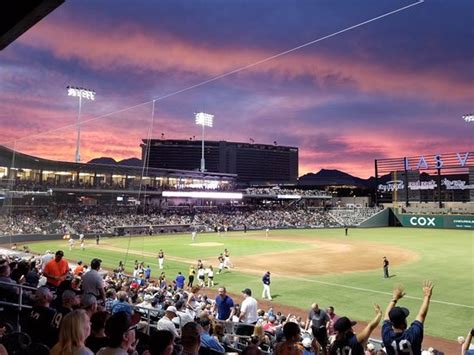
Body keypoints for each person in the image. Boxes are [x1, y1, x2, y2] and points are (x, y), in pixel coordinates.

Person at [382, 281, 434, 355]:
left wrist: (394, 299)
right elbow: (421, 315)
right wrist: (427, 296)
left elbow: (386, 317)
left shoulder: (386, 335)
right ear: (403, 323)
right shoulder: (412, 335)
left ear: (392, 322)